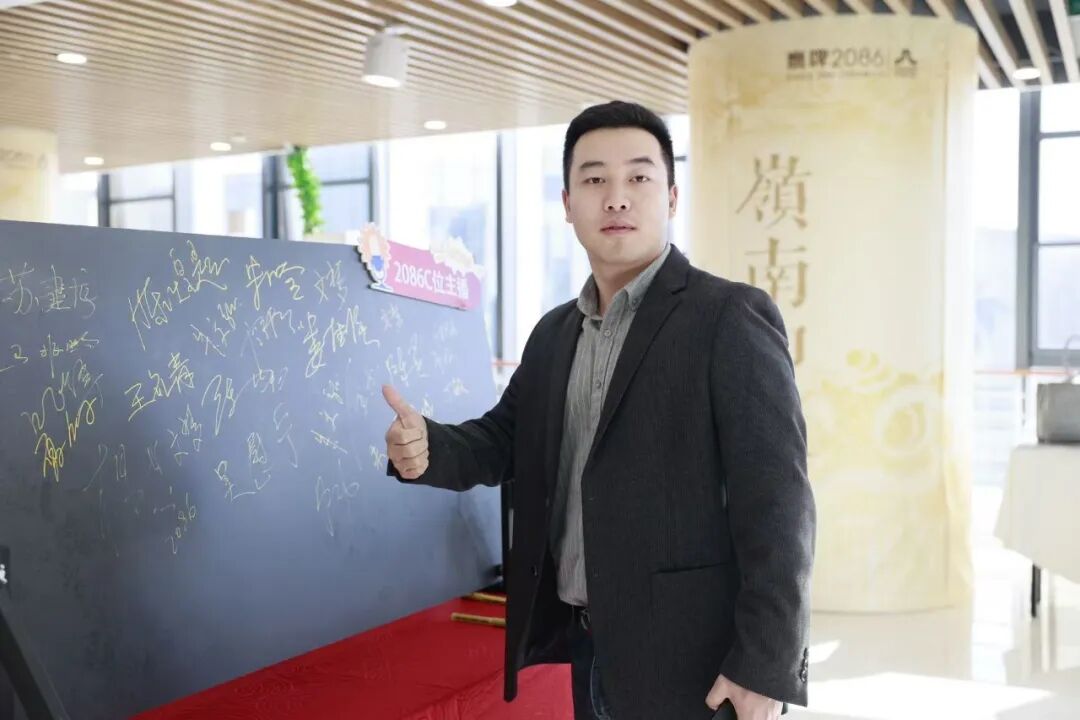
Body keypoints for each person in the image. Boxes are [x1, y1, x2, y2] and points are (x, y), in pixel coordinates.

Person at [383, 101, 815, 720]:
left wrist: (763, 665)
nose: (616, 198)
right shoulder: (555, 332)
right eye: (594, 180)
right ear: (567, 204)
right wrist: (427, 447)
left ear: (671, 197)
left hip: (695, 665)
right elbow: (502, 440)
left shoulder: (728, 317)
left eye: (638, 177)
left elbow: (779, 504)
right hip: (587, 647)